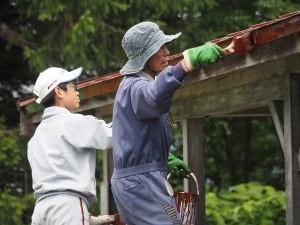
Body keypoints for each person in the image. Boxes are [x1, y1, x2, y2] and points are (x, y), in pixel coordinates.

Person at [111, 22, 224, 225]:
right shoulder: (136, 86)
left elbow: (133, 134)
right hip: (141, 181)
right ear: (144, 55)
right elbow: (154, 96)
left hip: (137, 179)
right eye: (159, 48)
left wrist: (164, 157)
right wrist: (187, 63)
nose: (167, 52)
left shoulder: (130, 86)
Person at [28, 67, 114, 225]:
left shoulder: (35, 138)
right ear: (59, 92)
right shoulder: (73, 122)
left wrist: (87, 219)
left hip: (41, 211)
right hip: (67, 207)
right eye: (74, 87)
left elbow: (55, 188)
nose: (77, 91)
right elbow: (113, 134)